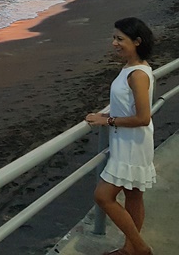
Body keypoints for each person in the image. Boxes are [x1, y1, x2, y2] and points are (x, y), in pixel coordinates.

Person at [85, 17, 156, 255]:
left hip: (133, 143)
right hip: (128, 140)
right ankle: (130, 250)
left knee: (103, 196)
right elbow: (124, 103)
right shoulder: (131, 67)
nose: (114, 43)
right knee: (134, 196)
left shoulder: (138, 74)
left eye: (120, 39)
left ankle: (140, 248)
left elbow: (143, 117)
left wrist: (107, 120)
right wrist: (105, 112)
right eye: (114, 37)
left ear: (137, 41)